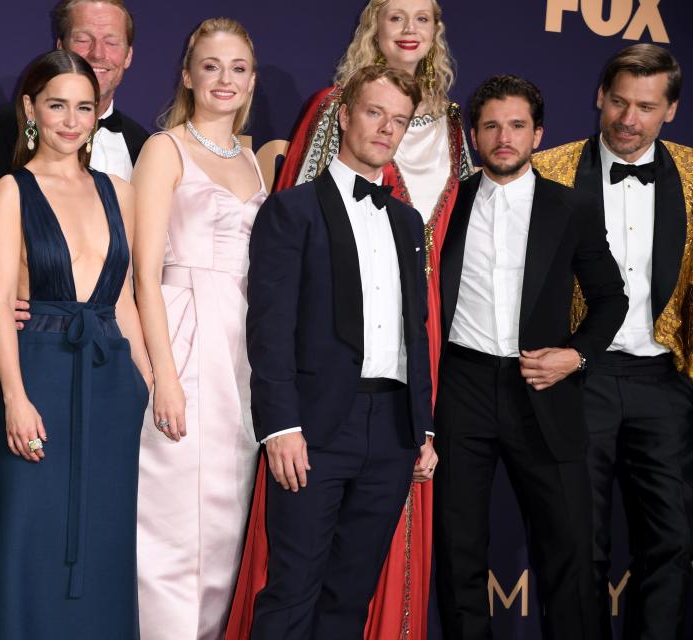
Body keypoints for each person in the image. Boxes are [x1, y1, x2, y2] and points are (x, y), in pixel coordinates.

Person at [228, 2, 464, 637]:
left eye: (399, 120)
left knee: (350, 597)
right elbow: (269, 328)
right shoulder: (292, 212)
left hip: (391, 433)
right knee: (291, 593)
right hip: (315, 429)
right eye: (374, 113)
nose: (385, 129)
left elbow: (414, 332)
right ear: (344, 116)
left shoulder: (407, 222)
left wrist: (424, 429)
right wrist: (280, 426)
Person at [0, 49, 150, 639]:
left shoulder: (120, 190)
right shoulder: (11, 190)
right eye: (57, 105)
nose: (71, 120)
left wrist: (149, 383)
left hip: (111, 385)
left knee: (103, 539)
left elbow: (123, 301)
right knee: (28, 534)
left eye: (84, 107)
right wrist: (13, 396)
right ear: (30, 109)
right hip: (39, 376)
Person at [434, 75, 628, 640]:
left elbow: (611, 298)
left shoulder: (570, 208)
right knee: (458, 548)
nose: (503, 137)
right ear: (473, 134)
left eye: (517, 125)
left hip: (543, 389)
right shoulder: (448, 206)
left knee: (569, 551)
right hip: (463, 388)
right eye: (491, 125)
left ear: (538, 134)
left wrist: (577, 356)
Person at [533, 44, 693, 639]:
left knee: (672, 542)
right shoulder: (546, 169)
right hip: (578, 378)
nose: (629, 119)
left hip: (665, 383)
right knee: (578, 546)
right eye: (620, 102)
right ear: (600, 97)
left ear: (670, 110)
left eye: (647, 107)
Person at [132, 17, 264, 640]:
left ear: (252, 80)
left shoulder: (253, 161)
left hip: (240, 344)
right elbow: (143, 270)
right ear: (187, 74)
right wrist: (163, 376)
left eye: (237, 68)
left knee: (224, 519)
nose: (224, 79)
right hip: (181, 332)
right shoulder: (165, 147)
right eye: (211, 66)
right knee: (172, 520)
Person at [0, 0, 148, 192]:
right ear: (60, 47)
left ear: (128, 56)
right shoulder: (3, 125)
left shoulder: (141, 143)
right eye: (83, 40)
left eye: (111, 42)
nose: (97, 53)